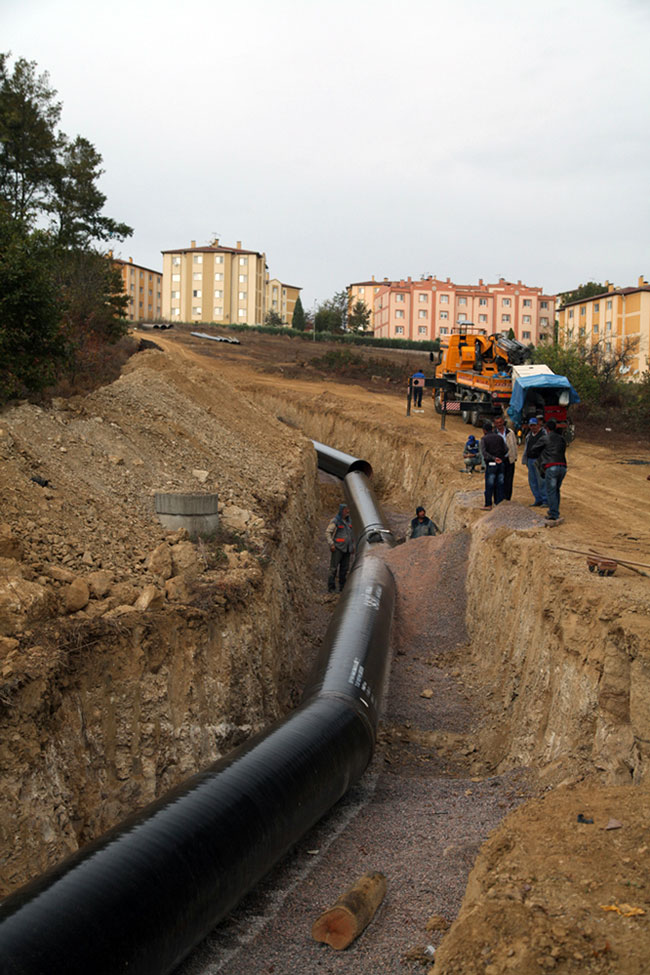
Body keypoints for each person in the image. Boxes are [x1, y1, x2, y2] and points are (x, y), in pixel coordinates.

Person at [526, 419, 567, 522]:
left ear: (546, 428)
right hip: (562, 466)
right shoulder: (561, 439)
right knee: (556, 490)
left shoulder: (545, 438)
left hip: (551, 466)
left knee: (551, 490)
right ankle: (554, 511)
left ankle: (553, 514)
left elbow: (534, 449)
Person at [325, 503, 355, 592]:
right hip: (338, 548)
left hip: (347, 549)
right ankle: (331, 587)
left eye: (348, 510)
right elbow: (327, 532)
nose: (348, 512)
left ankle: (342, 587)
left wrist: (352, 546)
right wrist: (331, 544)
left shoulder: (349, 521)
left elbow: (351, 535)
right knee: (333, 568)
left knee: (344, 569)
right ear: (342, 511)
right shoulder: (336, 521)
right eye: (346, 510)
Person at [521, 417, 548, 507]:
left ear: (538, 425)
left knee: (541, 481)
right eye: (531, 425)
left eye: (534, 425)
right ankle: (538, 499)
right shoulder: (529, 435)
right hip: (530, 460)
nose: (533, 427)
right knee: (532, 481)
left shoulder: (543, 434)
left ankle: (545, 500)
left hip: (539, 460)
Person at [480, 420, 507, 509]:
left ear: (484, 430)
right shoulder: (499, 438)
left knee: (490, 484)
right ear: (492, 429)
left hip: (491, 464)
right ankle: (499, 503)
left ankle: (488, 504)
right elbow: (506, 449)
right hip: (501, 463)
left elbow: (484, 452)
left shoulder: (484, 439)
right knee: (500, 483)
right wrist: (500, 458)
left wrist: (494, 458)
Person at [494, 414, 518, 500]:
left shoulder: (510, 432)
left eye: (500, 422)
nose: (499, 424)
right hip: (499, 460)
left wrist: (514, 456)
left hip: (509, 459)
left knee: (509, 480)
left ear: (503, 422)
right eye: (497, 423)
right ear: (495, 424)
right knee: (498, 480)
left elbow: (514, 444)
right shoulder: (494, 434)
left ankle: (507, 498)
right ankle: (498, 498)